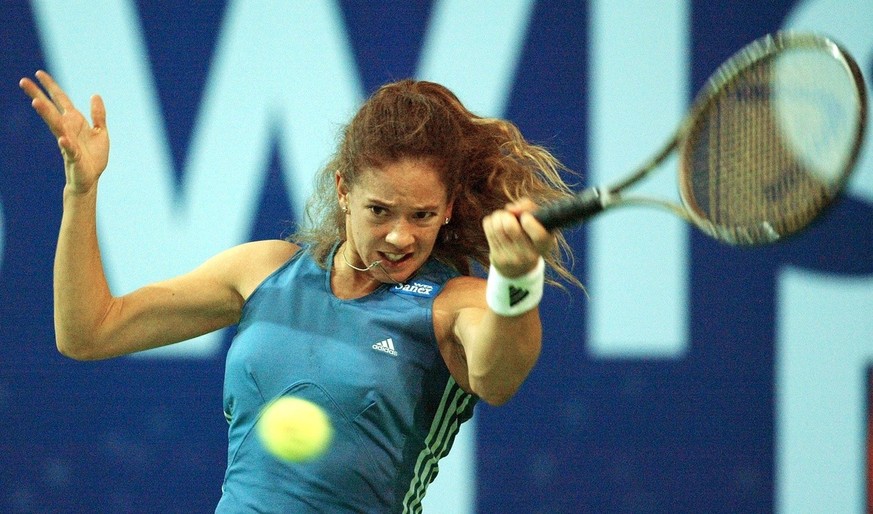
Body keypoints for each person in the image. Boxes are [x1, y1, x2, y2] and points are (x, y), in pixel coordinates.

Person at [20, 70, 580, 513]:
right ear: (343, 190)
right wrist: (81, 190)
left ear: (450, 209)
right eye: (379, 210)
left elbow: (497, 378)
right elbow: (88, 332)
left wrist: (516, 280)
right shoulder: (263, 270)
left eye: (423, 215)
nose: (400, 235)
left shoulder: (453, 305)